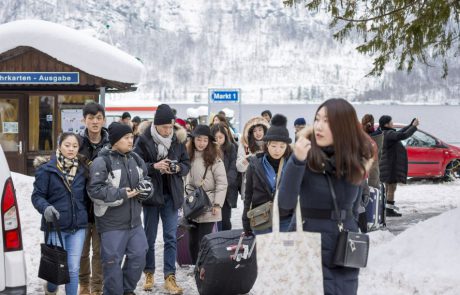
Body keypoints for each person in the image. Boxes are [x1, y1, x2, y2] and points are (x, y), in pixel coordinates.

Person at [278, 98, 374, 295]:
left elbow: (355, 206)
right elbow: (284, 203)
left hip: (345, 248)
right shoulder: (305, 154)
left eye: (327, 121)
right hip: (307, 243)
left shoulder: (355, 160)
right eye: (317, 119)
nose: (319, 126)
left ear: (342, 126)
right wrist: (296, 161)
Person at [87, 122, 153, 295]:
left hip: (135, 222)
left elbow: (146, 179)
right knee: (112, 263)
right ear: (115, 140)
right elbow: (94, 191)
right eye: (126, 138)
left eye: (132, 137)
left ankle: (127, 290)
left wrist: (147, 190)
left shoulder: (136, 159)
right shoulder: (102, 161)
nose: (131, 141)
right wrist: (121, 194)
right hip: (111, 224)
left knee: (139, 255)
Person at [133, 104, 190, 294]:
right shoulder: (143, 140)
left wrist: (176, 168)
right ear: (156, 125)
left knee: (170, 237)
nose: (168, 130)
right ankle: (148, 272)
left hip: (171, 195)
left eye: (170, 126)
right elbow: (136, 166)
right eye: (164, 127)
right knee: (148, 237)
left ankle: (169, 276)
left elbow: (186, 164)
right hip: (150, 196)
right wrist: (155, 166)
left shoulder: (178, 140)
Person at [32, 132, 89, 295]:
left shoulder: (83, 170)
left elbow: (87, 196)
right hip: (55, 226)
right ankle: (51, 288)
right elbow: (37, 196)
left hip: (77, 227)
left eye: (75, 146)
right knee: (56, 267)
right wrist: (46, 208)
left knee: (73, 268)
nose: (71, 149)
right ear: (59, 146)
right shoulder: (47, 170)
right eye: (67, 145)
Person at [242, 114, 293, 235]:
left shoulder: (293, 165)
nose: (277, 150)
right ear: (267, 144)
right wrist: (245, 219)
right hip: (261, 218)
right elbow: (248, 194)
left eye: (282, 146)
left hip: (286, 219)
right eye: (274, 145)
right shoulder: (255, 165)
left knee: (284, 253)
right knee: (263, 253)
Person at [77, 102, 108, 295]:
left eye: (98, 118)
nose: (95, 122)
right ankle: (84, 285)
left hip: (102, 206)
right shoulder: (77, 143)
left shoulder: (110, 144)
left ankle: (97, 286)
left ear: (103, 120)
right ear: (84, 120)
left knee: (99, 251)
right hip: (80, 204)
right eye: (91, 118)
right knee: (81, 251)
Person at [185, 125, 227, 263]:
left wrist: (217, 204)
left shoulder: (215, 158)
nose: (201, 143)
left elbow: (222, 183)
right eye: (198, 139)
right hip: (192, 204)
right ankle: (196, 267)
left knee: (205, 240)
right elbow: (185, 180)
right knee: (192, 241)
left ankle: (204, 267)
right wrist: (187, 195)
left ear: (209, 141)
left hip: (209, 204)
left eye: (204, 140)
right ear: (193, 140)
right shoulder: (187, 156)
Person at [378, 115, 419, 217]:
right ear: (387, 124)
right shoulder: (389, 134)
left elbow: (399, 133)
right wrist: (413, 127)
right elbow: (403, 135)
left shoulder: (385, 132)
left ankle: (386, 209)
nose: (393, 123)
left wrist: (410, 125)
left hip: (387, 164)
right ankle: (389, 211)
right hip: (390, 165)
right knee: (391, 187)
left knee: (388, 187)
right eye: (391, 121)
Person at [211, 123, 238, 230]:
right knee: (214, 221)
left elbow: (233, 166)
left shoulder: (231, 147)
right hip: (211, 189)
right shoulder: (209, 149)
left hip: (227, 189)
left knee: (225, 220)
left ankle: (225, 242)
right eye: (215, 137)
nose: (218, 140)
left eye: (221, 137)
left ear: (225, 137)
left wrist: (225, 182)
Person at [236, 117, 270, 200]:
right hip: (250, 186)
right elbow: (239, 167)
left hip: (268, 186)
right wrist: (247, 160)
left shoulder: (271, 144)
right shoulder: (245, 145)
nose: (258, 133)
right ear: (250, 132)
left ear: (264, 130)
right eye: (254, 131)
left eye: (260, 130)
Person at [361, 114, 384, 188]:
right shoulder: (378, 135)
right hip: (374, 161)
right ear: (373, 123)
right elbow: (379, 151)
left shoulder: (358, 135)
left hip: (360, 161)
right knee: (374, 181)